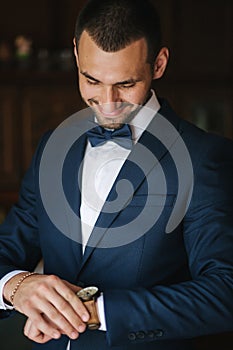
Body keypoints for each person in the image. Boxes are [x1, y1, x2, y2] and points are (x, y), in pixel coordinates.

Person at [0, 0, 233, 349]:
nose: (108, 102)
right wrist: (15, 286)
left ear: (159, 64)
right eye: (92, 80)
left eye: (125, 84)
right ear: (77, 54)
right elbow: (8, 249)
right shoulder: (52, 146)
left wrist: (95, 312)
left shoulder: (204, 157)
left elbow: (224, 291)